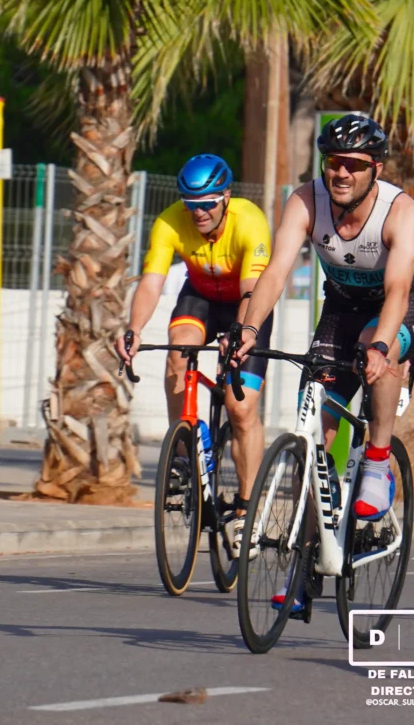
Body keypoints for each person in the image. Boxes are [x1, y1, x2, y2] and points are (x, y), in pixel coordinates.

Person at [235, 113, 414, 611]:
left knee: (378, 350)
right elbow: (276, 271)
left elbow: (398, 289)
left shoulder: (400, 212)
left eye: (353, 165)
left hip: (401, 306)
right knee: (313, 439)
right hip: (341, 308)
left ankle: (378, 459)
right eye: (332, 163)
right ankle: (303, 571)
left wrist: (382, 347)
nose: (339, 173)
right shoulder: (305, 200)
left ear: (376, 169)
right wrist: (249, 330)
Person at [114, 154, 273, 557]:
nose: (198, 212)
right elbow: (151, 283)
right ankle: (184, 455)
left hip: (246, 304)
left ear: (226, 196)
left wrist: (239, 334)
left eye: (207, 204)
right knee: (177, 353)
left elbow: (254, 289)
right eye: (190, 203)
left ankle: (245, 508)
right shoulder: (170, 221)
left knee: (240, 410)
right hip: (199, 296)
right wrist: (133, 329)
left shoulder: (249, 220)